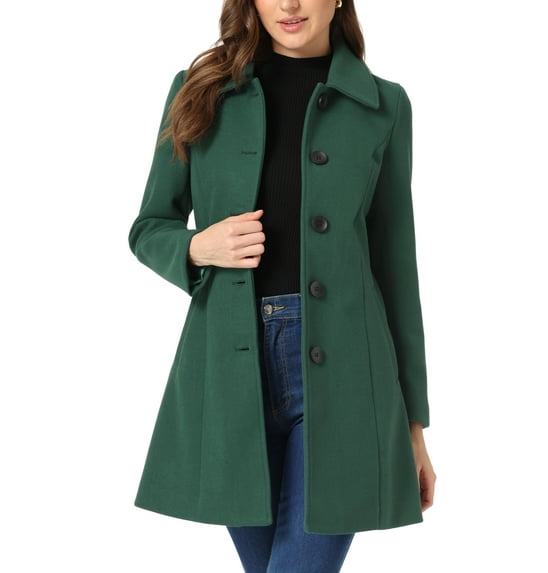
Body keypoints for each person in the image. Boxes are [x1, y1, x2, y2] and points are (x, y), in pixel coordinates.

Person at [128, 0, 436, 571]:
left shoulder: (383, 104)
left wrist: (414, 426)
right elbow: (149, 227)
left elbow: (396, 266)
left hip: (348, 370)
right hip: (228, 370)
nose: (289, 5)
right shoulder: (201, 90)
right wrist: (198, 247)